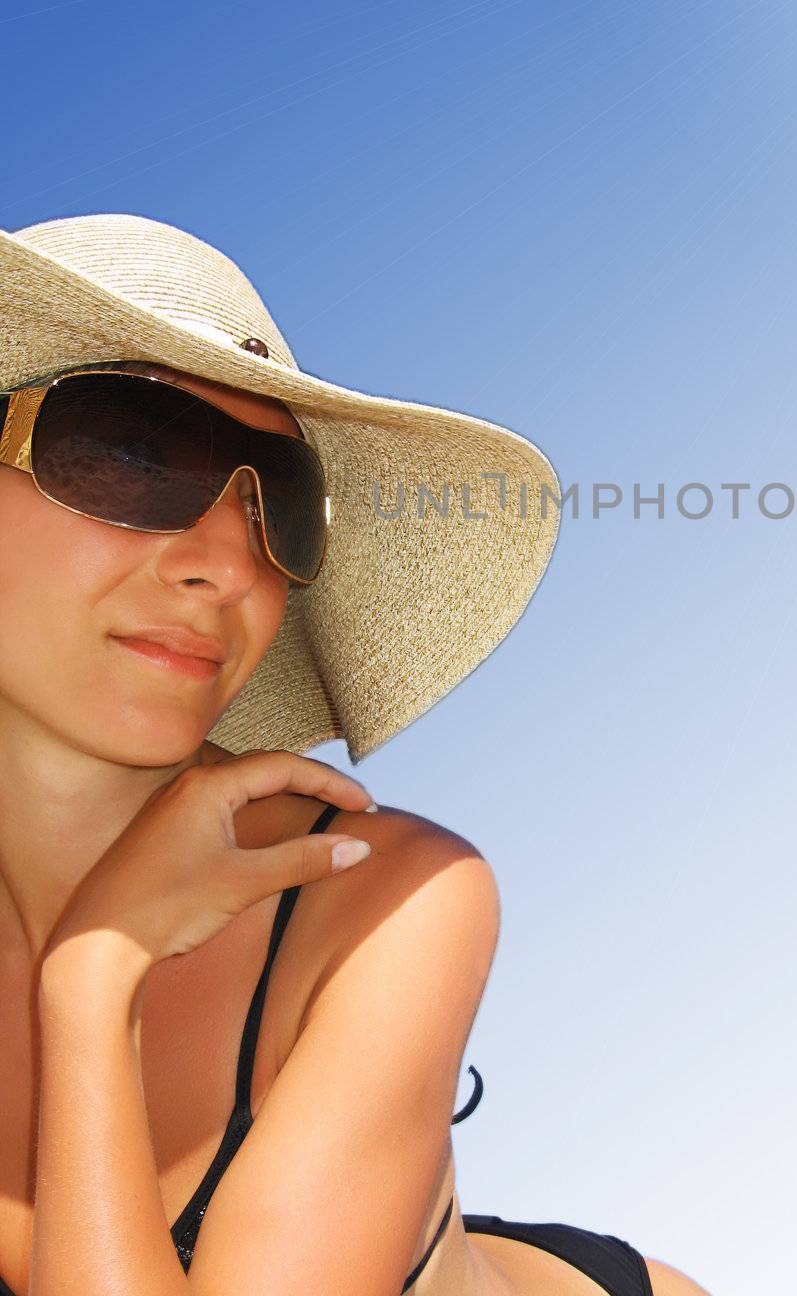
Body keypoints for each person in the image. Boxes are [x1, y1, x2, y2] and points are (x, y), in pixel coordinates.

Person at [0, 215, 710, 1296]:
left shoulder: (394, 897)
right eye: (134, 457)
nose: (224, 564)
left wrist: (93, 978)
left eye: (279, 504)